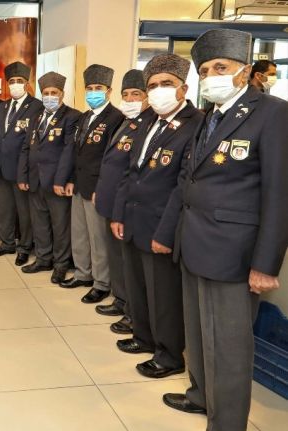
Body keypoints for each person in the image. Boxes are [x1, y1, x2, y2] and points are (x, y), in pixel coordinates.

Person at [163, 29, 288, 431]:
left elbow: (279, 193)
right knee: (199, 334)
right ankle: (201, 394)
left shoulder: (272, 113)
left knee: (229, 347)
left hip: (233, 253)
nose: (211, 76)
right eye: (204, 70)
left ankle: (228, 423)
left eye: (221, 67)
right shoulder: (211, 116)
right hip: (194, 244)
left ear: (244, 71)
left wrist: (266, 264)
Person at [111, 54, 204, 380]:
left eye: (167, 84)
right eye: (152, 85)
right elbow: (130, 172)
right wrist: (119, 213)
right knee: (138, 286)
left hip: (162, 223)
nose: (158, 91)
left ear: (184, 88)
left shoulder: (196, 124)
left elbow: (183, 186)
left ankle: (168, 354)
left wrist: (165, 234)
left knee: (163, 293)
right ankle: (143, 336)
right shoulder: (147, 120)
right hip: (133, 218)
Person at [57, 64, 125, 304]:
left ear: (109, 91)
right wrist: (70, 180)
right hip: (79, 184)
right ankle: (83, 273)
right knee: (80, 234)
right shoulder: (85, 116)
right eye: (90, 88)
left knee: (98, 239)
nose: (93, 92)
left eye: (98, 88)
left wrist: (102, 188)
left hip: (97, 188)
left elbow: (111, 159)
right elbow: (77, 152)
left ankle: (101, 283)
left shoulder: (116, 118)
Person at [93, 69, 153, 334]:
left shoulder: (149, 125)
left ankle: (131, 309)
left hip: (128, 204)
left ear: (147, 96)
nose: (129, 99)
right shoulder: (126, 122)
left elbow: (132, 172)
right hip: (112, 200)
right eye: (125, 94)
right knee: (117, 257)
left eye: (136, 94)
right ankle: (120, 299)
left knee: (129, 264)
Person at [18, 71, 80, 283]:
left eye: (54, 92)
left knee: (60, 225)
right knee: (40, 223)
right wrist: (23, 176)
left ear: (62, 94)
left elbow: (70, 151)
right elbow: (26, 147)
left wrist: (61, 180)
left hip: (56, 183)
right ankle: (43, 258)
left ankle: (61, 264)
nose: (50, 96)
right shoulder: (36, 117)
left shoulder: (72, 117)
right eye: (46, 93)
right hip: (35, 180)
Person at [0, 61, 43, 266]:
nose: (15, 85)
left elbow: (33, 143)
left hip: (23, 170)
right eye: (12, 81)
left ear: (27, 84)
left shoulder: (36, 106)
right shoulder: (3, 106)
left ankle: (24, 247)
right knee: (4, 209)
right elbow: (0, 139)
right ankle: (7, 243)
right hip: (3, 168)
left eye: (19, 81)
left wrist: (25, 171)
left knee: (24, 212)